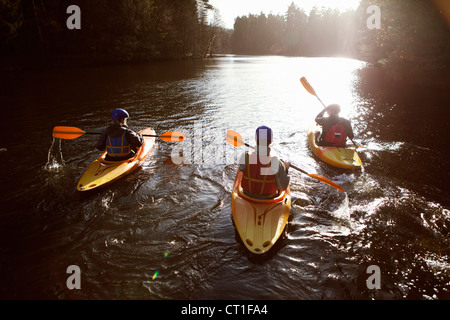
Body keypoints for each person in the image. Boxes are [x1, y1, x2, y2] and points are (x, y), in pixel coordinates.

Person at [238, 126, 290, 199]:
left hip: (246, 194)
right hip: (268, 198)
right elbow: (283, 187)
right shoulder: (275, 161)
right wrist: (286, 168)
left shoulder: (245, 156)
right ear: (271, 141)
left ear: (256, 140)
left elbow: (241, 170)